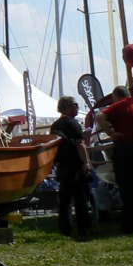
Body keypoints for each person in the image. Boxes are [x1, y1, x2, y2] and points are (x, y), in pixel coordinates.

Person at [95, 86, 133, 234]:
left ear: (116, 96)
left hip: (124, 147)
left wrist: (111, 133)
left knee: (127, 189)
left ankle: (131, 225)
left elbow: (100, 116)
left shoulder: (118, 106)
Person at [50, 96, 93, 239]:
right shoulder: (73, 123)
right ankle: (83, 227)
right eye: (75, 105)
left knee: (65, 198)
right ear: (68, 107)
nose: (77, 107)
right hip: (74, 164)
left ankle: (65, 228)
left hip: (62, 165)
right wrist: (85, 162)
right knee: (80, 197)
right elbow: (80, 144)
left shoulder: (55, 125)